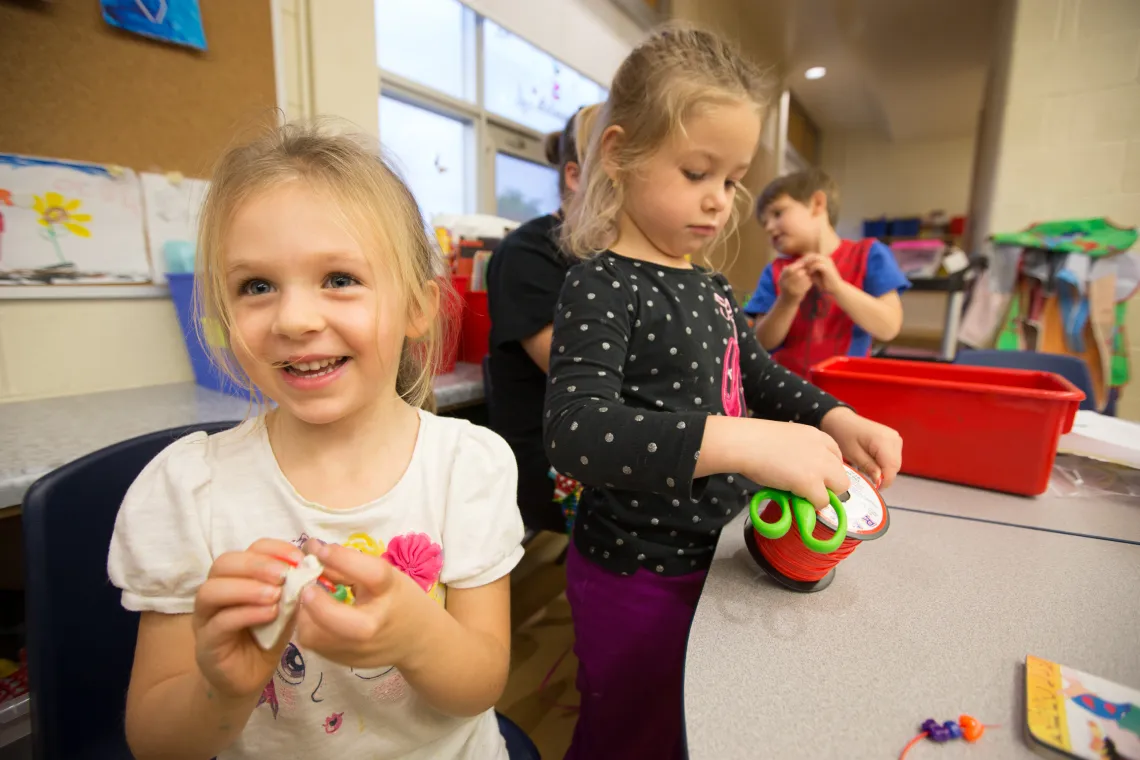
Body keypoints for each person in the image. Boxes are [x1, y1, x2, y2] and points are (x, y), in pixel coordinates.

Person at [107, 123, 525, 759]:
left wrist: (418, 638)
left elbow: (481, 683)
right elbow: (157, 743)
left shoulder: (469, 467)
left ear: (418, 305)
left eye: (338, 278)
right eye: (256, 286)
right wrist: (221, 687)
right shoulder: (186, 489)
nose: (295, 319)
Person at [544, 26, 904, 759]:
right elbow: (577, 431)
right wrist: (739, 439)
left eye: (732, 180)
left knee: (692, 725)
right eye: (696, 172)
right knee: (627, 733)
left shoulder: (706, 285)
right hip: (636, 571)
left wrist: (837, 416)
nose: (718, 202)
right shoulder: (601, 283)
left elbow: (761, 378)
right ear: (618, 154)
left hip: (717, 553)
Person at [486, 104, 600, 534]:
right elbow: (575, 370)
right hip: (551, 464)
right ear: (574, 176)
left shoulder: (606, 258)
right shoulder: (527, 254)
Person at [743, 168, 911, 376]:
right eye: (764, 222)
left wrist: (838, 288)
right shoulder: (776, 271)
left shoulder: (868, 255)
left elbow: (888, 328)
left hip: (846, 389)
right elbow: (762, 342)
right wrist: (788, 299)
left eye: (777, 213)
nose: (769, 227)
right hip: (784, 393)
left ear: (817, 204)